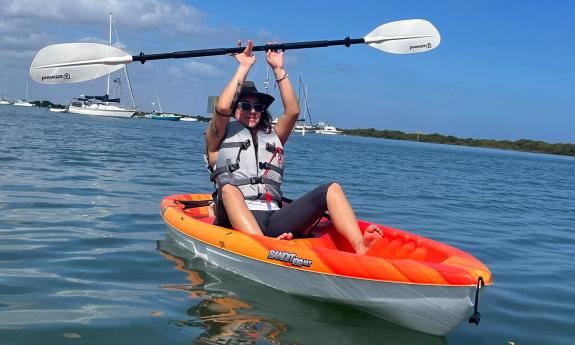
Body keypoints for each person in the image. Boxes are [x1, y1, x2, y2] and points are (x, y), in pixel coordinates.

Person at [205, 40, 382, 254]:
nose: (253, 111)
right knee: (230, 189)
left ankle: (360, 246)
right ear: (236, 109)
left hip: (273, 217)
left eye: (258, 106)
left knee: (331, 189)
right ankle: (265, 249)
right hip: (233, 216)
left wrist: (278, 69)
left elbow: (293, 112)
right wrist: (244, 66)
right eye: (245, 105)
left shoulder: (273, 136)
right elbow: (223, 107)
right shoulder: (218, 135)